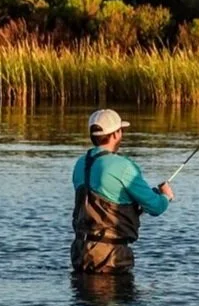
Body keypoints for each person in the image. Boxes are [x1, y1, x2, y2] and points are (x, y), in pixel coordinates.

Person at [71, 108, 173, 275]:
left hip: (80, 251)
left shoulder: (80, 164)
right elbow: (156, 207)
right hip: (110, 256)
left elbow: (104, 202)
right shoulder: (123, 166)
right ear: (115, 134)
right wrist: (165, 196)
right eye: (120, 130)